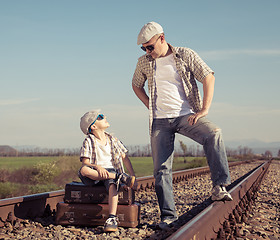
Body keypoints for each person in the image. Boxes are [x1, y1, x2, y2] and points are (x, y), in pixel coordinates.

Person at [132, 21, 233, 228]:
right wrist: (149, 104)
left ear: (162, 38)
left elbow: (208, 77)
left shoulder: (185, 54)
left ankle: (219, 187)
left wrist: (204, 110)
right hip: (160, 120)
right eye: (144, 49)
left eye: (150, 47)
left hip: (186, 115)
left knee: (214, 133)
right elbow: (135, 84)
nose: (148, 51)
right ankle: (168, 217)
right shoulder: (143, 62)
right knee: (161, 169)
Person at [79, 110, 137, 232]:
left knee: (112, 184)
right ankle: (120, 177)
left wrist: (132, 175)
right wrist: (97, 166)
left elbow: (124, 157)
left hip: (110, 171)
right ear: (93, 126)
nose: (104, 117)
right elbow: (85, 163)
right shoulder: (89, 140)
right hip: (95, 172)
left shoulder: (113, 139)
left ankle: (112, 218)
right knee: (83, 170)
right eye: (100, 117)